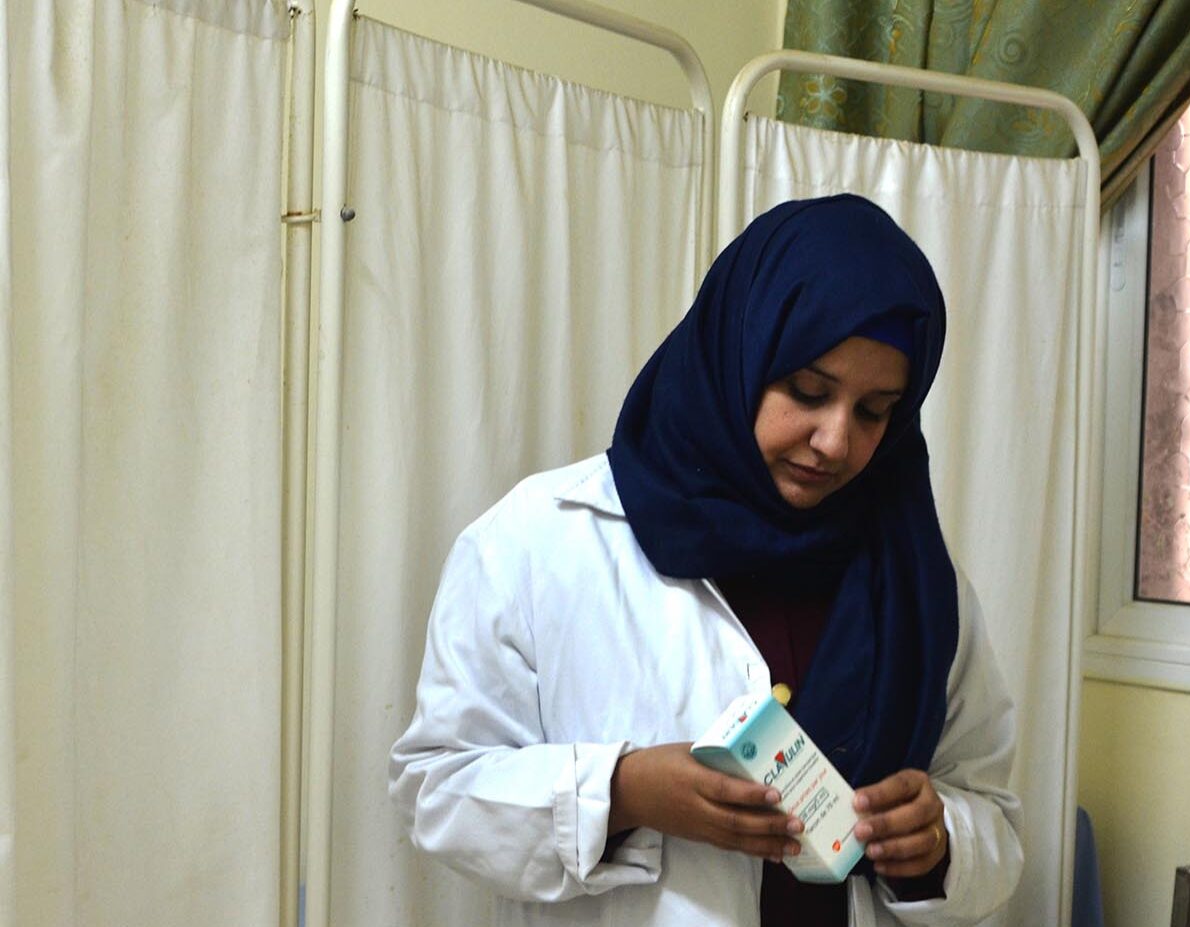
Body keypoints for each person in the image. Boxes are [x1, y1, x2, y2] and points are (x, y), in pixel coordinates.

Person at [389, 194, 1023, 927]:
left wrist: (939, 840)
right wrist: (621, 791)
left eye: (874, 410)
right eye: (808, 391)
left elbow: (994, 817)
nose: (835, 441)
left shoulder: (914, 580)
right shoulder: (538, 542)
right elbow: (435, 788)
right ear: (736, 352)